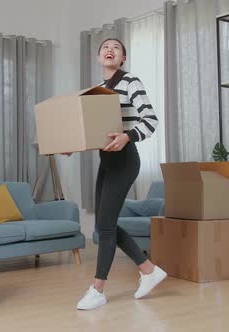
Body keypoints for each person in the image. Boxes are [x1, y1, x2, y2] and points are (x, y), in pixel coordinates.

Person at [69, 38, 167, 310]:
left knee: (107, 226)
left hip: (125, 160)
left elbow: (151, 120)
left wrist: (128, 136)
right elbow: (92, 130)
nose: (110, 50)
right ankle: (148, 270)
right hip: (107, 161)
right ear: (98, 56)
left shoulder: (130, 81)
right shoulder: (97, 91)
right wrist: (72, 146)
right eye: (105, 47)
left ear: (122, 57)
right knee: (103, 224)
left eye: (116, 48)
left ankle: (98, 288)